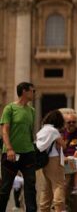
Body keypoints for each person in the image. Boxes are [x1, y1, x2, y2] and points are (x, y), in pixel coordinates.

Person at [0, 82, 37, 212]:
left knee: (31, 186)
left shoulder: (32, 111)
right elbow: (4, 131)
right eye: (33, 91)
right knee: (5, 187)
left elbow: (29, 132)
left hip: (28, 153)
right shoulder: (9, 108)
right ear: (25, 91)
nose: (34, 93)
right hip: (11, 154)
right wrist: (9, 148)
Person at [36, 110, 67, 212]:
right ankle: (59, 209)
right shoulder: (54, 131)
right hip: (54, 160)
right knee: (58, 185)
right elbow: (63, 145)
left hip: (44, 161)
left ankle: (44, 209)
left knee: (47, 187)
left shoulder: (42, 130)